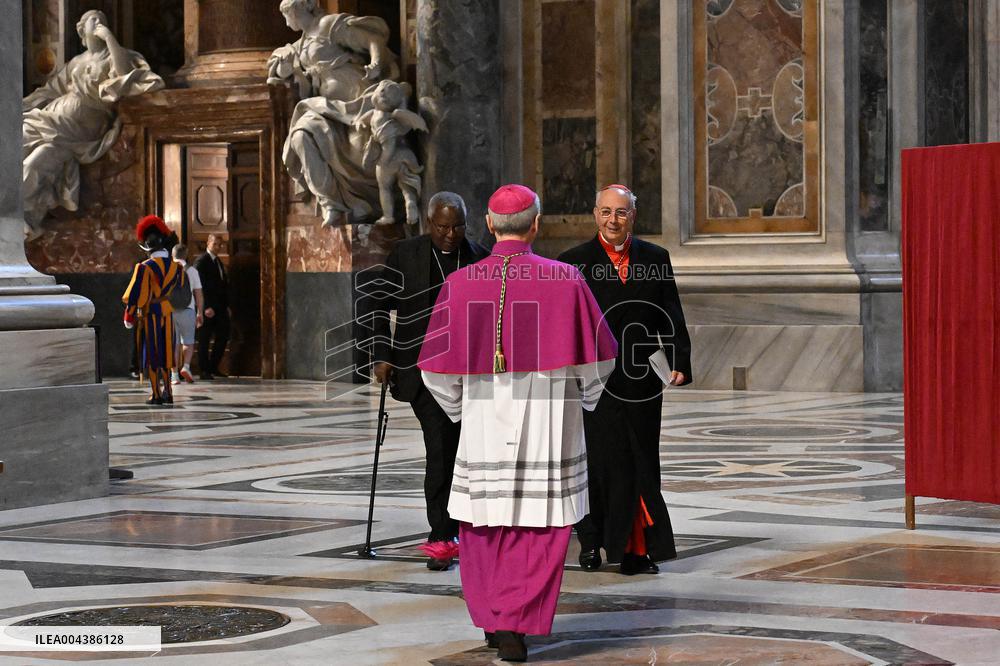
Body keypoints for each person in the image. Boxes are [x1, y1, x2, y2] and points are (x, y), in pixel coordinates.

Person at [418, 185, 618, 661]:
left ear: (488, 225)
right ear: (535, 224)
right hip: (549, 420)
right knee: (539, 524)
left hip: (485, 421)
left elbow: (432, 369)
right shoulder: (566, 279)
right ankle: (516, 623)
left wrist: (462, 409)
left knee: (485, 522)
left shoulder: (460, 282)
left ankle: (493, 617)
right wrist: (584, 398)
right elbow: (599, 361)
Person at [558, 184, 693, 576]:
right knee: (599, 462)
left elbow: (672, 312)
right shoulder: (573, 262)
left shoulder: (655, 257)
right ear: (594, 214)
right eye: (605, 212)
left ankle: (637, 549)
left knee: (640, 460)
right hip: (592, 379)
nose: (612, 220)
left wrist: (679, 359)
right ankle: (592, 540)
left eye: (620, 213)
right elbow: (565, 323)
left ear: (633, 216)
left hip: (641, 380)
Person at [369, 192, 489, 570]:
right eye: (442, 227)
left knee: (467, 455)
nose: (450, 234)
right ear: (428, 223)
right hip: (422, 372)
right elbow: (376, 305)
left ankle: (471, 530)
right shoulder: (406, 254)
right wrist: (382, 354)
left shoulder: (480, 257)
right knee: (440, 451)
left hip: (470, 375)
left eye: (457, 226)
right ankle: (441, 535)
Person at [22, 9, 163, 235]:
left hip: (85, 123)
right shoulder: (76, 62)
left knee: (24, 132)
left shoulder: (115, 55)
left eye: (102, 20)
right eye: (92, 20)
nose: (98, 23)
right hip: (58, 118)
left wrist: (110, 39)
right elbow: (50, 91)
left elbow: (123, 75)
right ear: (82, 30)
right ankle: (24, 216)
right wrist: (24, 105)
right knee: (31, 161)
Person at [122, 215, 185, 405]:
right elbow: (180, 290)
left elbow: (136, 294)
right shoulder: (176, 268)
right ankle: (169, 391)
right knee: (166, 353)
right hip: (167, 311)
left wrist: (129, 314)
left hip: (150, 313)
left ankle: (156, 393)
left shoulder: (144, 267)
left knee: (151, 353)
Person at [194, 234, 231, 380]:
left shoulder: (218, 262)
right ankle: (204, 370)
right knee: (204, 338)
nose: (218, 247)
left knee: (223, 335)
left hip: (220, 307)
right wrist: (205, 306)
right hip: (208, 308)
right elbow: (199, 286)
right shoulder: (201, 261)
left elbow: (222, 286)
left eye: (220, 245)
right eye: (215, 244)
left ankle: (213, 366)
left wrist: (226, 305)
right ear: (208, 243)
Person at [170, 244, 204, 385]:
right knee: (188, 341)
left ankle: (174, 375)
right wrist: (200, 312)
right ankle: (186, 367)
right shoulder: (192, 271)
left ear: (173, 255)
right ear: (186, 255)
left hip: (170, 311)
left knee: (174, 343)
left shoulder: (168, 270)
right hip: (188, 310)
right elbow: (198, 293)